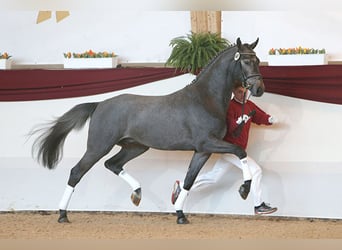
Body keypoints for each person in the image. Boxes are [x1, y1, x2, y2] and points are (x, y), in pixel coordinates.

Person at [171, 84, 277, 215]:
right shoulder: (229, 107)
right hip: (230, 148)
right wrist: (237, 122)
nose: (243, 94)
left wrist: (269, 119)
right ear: (233, 92)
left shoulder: (249, 105)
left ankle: (182, 185)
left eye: (245, 92)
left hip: (237, 150)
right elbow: (225, 126)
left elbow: (259, 116)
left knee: (213, 177)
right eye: (239, 92)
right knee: (256, 171)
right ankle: (258, 205)